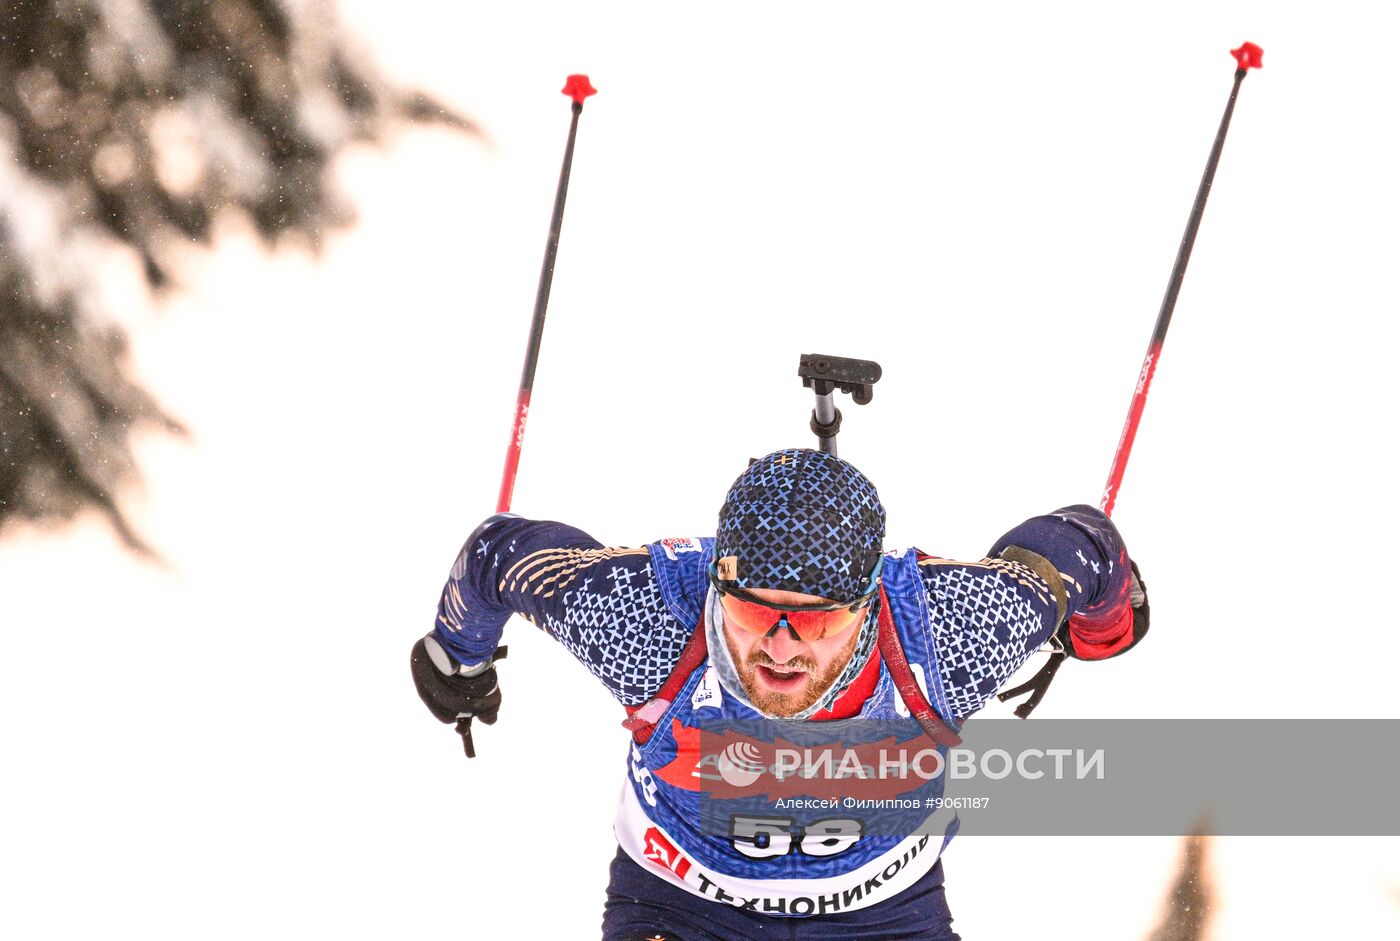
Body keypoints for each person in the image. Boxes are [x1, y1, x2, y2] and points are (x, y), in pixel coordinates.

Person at [411, 447, 1148, 940]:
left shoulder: (945, 635)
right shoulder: (648, 621)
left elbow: (1077, 545)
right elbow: (497, 554)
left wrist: (1106, 619)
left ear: (868, 601)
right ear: (718, 584)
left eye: (819, 615)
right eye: (756, 608)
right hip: (681, 908)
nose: (783, 644)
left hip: (883, 917)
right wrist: (459, 657)